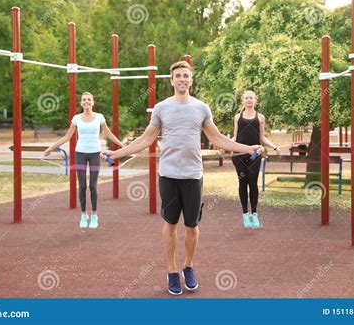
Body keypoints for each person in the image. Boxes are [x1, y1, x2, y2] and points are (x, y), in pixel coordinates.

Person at [102, 61, 264, 296]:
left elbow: (218, 139)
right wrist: (115, 153)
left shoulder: (202, 108)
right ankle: (171, 271)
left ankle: (188, 266)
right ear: (171, 80)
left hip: (192, 176)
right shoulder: (161, 108)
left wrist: (248, 148)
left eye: (186, 76)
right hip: (168, 175)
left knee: (192, 227)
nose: (182, 79)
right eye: (178, 76)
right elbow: (145, 140)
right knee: (170, 225)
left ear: (191, 80)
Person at [43, 91, 124, 229]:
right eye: (84, 100)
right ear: (81, 103)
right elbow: (66, 137)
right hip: (80, 153)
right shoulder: (76, 118)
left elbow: (109, 134)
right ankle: (83, 214)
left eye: (89, 99)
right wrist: (50, 148)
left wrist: (125, 147)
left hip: (95, 154)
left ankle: (94, 215)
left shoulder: (99, 117)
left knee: (92, 185)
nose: (86, 101)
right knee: (82, 185)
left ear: (93, 102)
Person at [231, 90, 282, 229]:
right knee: (243, 183)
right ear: (242, 100)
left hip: (254, 155)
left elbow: (262, 138)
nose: (249, 100)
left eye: (251, 98)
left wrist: (275, 147)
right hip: (239, 155)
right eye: (246, 98)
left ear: (255, 100)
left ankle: (254, 213)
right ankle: (245, 214)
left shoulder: (260, 117)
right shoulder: (237, 117)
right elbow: (235, 137)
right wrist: (224, 145)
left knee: (253, 183)